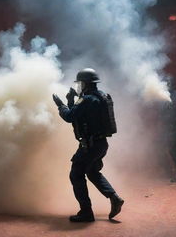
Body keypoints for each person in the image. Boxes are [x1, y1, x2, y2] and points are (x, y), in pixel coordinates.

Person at [52, 68, 124, 222]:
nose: (79, 86)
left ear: (85, 84)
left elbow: (70, 116)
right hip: (100, 144)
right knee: (91, 172)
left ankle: (86, 212)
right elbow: (80, 114)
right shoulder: (101, 96)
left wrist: (61, 105)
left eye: (80, 83)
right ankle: (114, 198)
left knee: (76, 174)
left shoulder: (86, 100)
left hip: (89, 146)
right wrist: (72, 101)